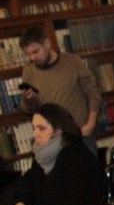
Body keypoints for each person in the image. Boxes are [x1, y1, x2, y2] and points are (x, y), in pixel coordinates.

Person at [18, 25, 102, 157]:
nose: (33, 58)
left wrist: (91, 124)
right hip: (50, 141)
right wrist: (28, 100)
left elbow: (93, 93)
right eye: (28, 54)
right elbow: (28, 110)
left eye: (36, 52)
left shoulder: (72, 61)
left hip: (80, 135)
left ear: (47, 43)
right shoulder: (29, 71)